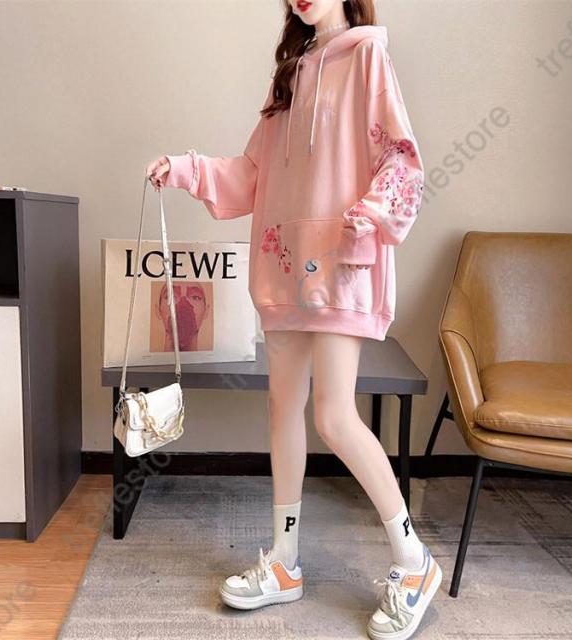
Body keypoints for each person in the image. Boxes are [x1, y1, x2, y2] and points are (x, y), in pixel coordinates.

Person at [146, 1, 439, 638]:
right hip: (284, 265)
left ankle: (414, 560)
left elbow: (401, 158)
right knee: (283, 408)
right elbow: (253, 172)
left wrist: (370, 213)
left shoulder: (367, 54)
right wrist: (187, 169)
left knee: (333, 415)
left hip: (339, 263)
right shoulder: (292, 69)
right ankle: (284, 561)